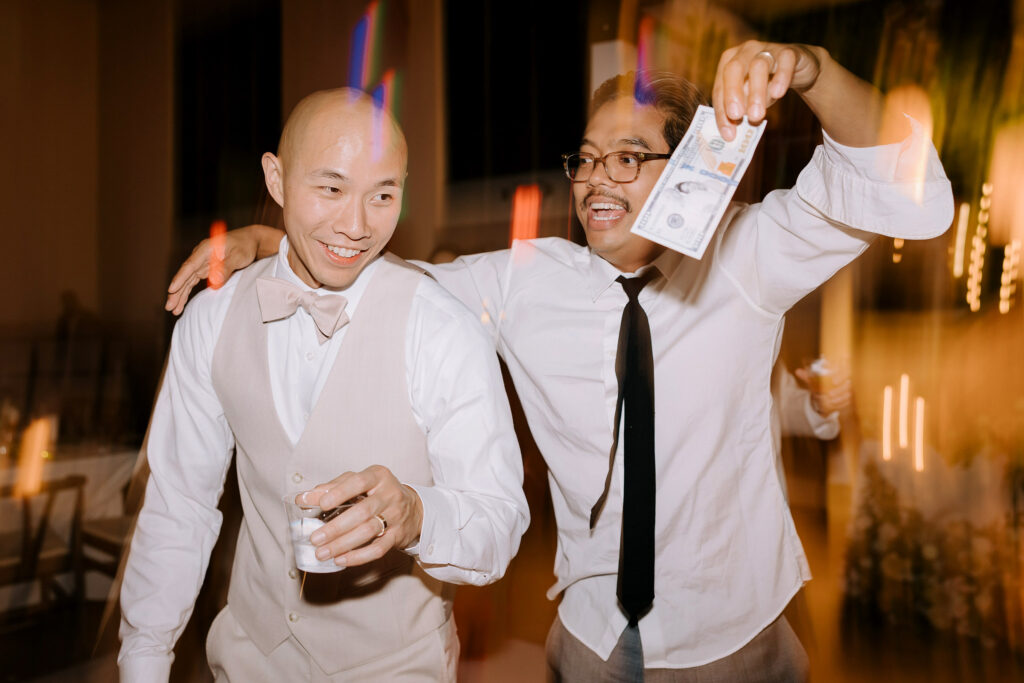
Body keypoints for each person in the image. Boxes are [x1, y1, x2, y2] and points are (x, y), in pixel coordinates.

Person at [166, 42, 953, 681]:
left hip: (734, 638)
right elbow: (387, 283)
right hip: (589, 641)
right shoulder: (528, 280)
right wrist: (275, 243)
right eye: (587, 158)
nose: (597, 178)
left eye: (629, 157)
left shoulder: (748, 255)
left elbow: (910, 196)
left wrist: (810, 69)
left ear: (687, 168)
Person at [119, 88, 529, 682]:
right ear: (276, 179)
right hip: (248, 658)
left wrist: (417, 515)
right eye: (331, 189)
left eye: (382, 195)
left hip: (396, 668)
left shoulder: (444, 328)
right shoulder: (212, 318)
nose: (356, 226)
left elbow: (499, 523)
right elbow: (179, 504)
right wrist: (144, 660)